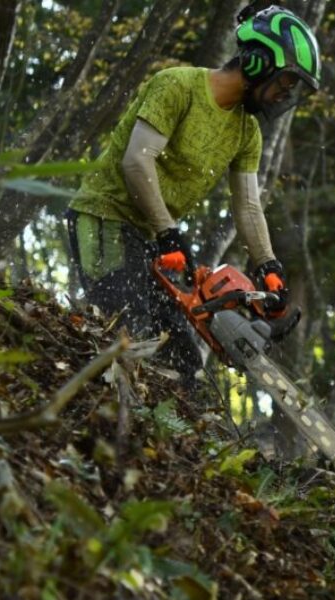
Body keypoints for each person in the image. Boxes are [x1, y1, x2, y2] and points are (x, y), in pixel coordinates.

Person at [66, 4, 321, 377]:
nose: (284, 94)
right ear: (258, 63)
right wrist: (169, 232)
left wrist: (268, 265)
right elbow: (137, 162)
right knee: (130, 337)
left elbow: (248, 207)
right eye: (285, 82)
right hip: (106, 216)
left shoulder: (246, 132)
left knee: (183, 365)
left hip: (153, 240)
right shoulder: (178, 86)